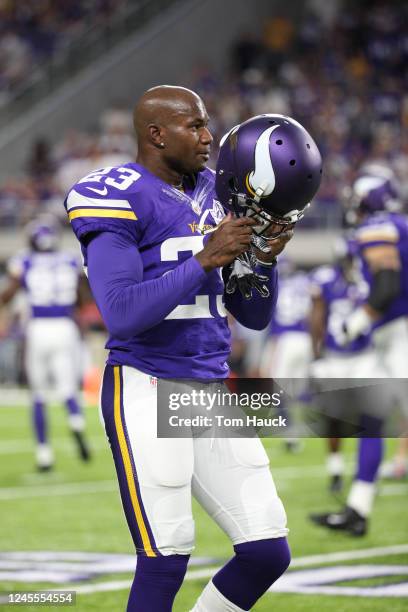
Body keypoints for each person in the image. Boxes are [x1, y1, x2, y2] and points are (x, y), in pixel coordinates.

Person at [64, 86, 322, 611]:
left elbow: (253, 314)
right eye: (195, 126)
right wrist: (205, 259)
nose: (209, 137)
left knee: (267, 550)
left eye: (207, 125)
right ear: (156, 134)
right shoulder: (118, 194)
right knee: (166, 558)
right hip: (145, 381)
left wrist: (261, 261)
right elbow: (121, 313)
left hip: (208, 387)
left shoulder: (219, 190)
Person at [310, 166, 408, 535]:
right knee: (373, 422)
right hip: (393, 337)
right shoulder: (398, 225)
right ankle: (358, 509)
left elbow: (385, 286)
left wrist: (356, 323)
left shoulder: (378, 227)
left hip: (400, 335)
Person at [0, 216, 91, 471]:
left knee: (38, 394)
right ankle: (75, 422)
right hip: (65, 326)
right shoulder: (69, 260)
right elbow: (82, 299)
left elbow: (7, 295)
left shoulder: (25, 261)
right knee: (68, 388)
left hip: (38, 327)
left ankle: (44, 454)